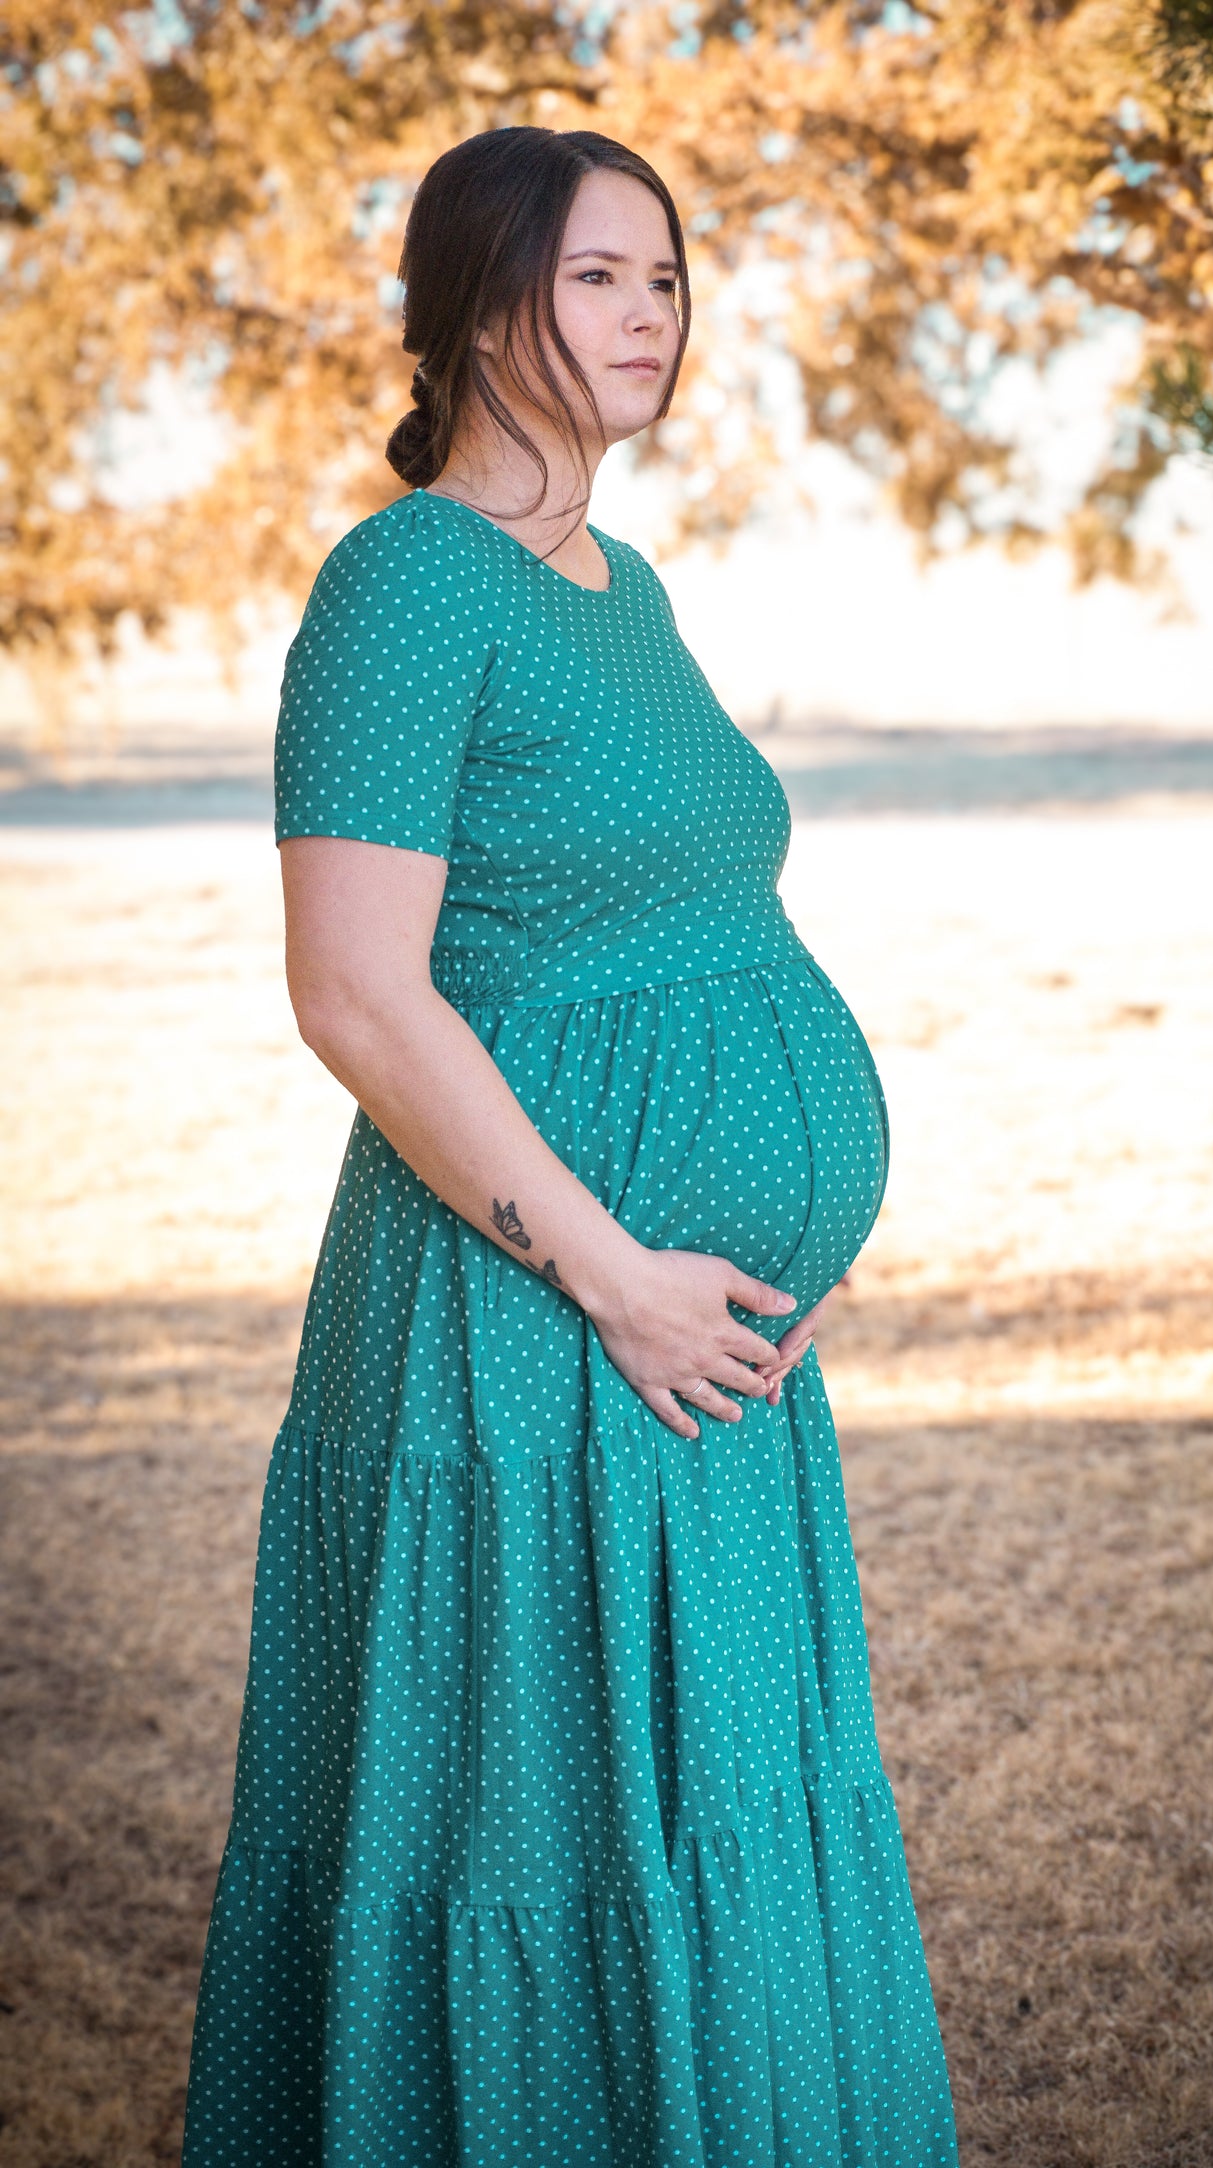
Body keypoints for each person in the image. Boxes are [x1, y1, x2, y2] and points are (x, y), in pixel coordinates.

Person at [181, 124, 959, 2168]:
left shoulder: (623, 586)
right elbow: (357, 990)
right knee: (549, 1826)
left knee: (701, 1811)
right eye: (600, 274)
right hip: (535, 1326)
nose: (650, 318)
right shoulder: (406, 582)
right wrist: (613, 1271)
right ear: (472, 302)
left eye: (669, 278)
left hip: (707, 1355)